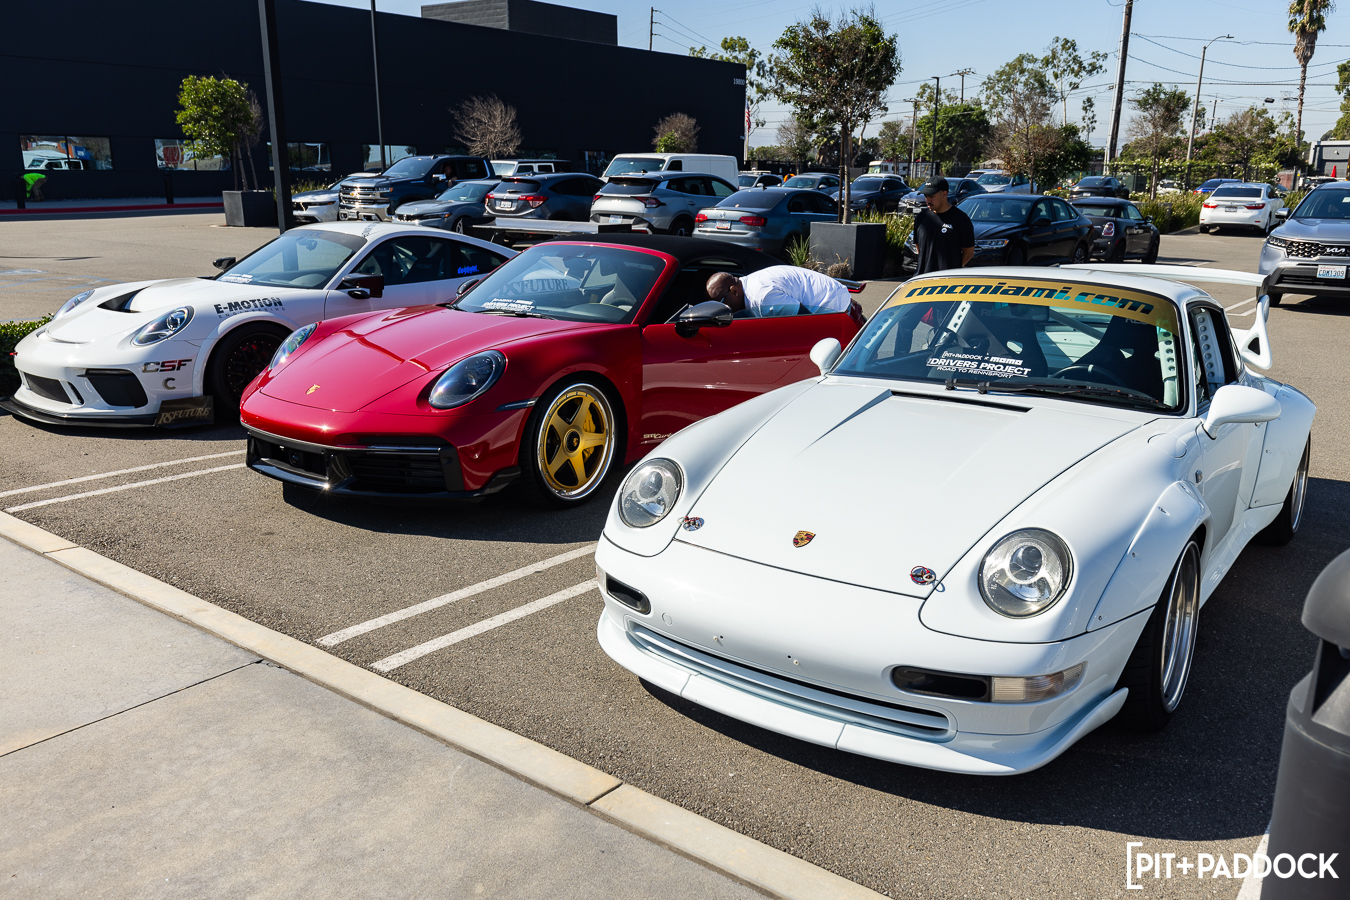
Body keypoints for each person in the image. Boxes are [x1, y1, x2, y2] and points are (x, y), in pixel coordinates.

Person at [706, 266, 853, 318]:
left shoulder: (761, 296)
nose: (722, 308)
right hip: (831, 296)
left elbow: (803, 319)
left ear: (733, 291)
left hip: (832, 305)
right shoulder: (748, 283)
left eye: (722, 302)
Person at [912, 176, 974, 275]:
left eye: (931, 196)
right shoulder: (921, 218)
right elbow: (919, 247)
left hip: (947, 280)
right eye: (926, 196)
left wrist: (953, 269)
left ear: (944, 194)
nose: (928, 200)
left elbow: (969, 252)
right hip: (923, 278)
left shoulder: (960, 219)